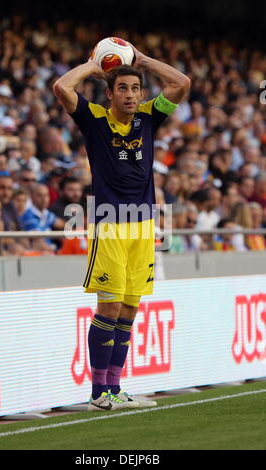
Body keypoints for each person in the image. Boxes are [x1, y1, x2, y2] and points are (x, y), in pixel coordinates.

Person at [53, 44, 190, 410]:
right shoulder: (94, 118)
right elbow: (62, 89)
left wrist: (143, 61)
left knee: (130, 308)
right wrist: (90, 66)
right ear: (110, 93)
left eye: (135, 89)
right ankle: (98, 393)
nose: (130, 95)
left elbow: (181, 83)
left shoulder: (148, 117)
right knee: (109, 307)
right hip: (110, 225)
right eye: (123, 89)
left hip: (144, 226)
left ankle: (115, 388)